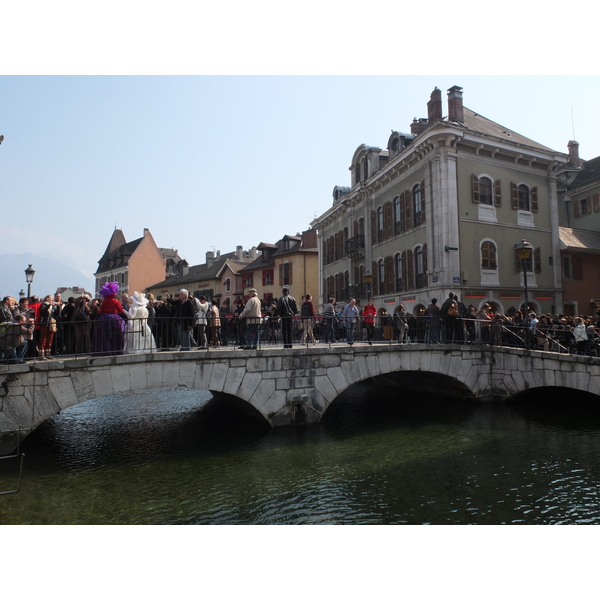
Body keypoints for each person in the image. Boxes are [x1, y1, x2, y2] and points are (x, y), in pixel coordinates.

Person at [91, 282, 128, 356]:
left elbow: (100, 311)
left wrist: (96, 319)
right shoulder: (117, 301)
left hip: (104, 319)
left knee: (104, 336)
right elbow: (121, 311)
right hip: (115, 319)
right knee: (117, 335)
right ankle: (117, 350)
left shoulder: (104, 302)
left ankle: (105, 351)